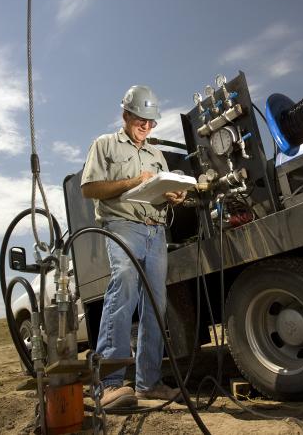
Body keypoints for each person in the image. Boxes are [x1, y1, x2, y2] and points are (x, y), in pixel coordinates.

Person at [81, 85, 187, 408]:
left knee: (156, 303)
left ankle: (148, 383)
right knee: (124, 285)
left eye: (151, 122)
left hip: (155, 231)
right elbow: (89, 188)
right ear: (126, 114)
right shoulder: (106, 145)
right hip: (123, 225)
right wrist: (133, 181)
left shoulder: (157, 156)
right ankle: (109, 384)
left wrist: (175, 195)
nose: (146, 126)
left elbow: (164, 189)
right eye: (141, 119)